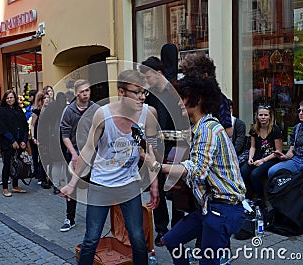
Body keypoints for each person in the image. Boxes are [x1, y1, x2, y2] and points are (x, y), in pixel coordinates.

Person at [141, 76, 246, 265]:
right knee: (172, 241)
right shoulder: (198, 127)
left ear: (197, 100)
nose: (178, 102)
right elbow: (177, 135)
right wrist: (146, 136)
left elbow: (197, 170)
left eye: (182, 98)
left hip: (223, 209)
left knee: (209, 262)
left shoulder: (208, 130)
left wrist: (156, 166)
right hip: (209, 206)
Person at [61, 70, 159, 265]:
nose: (142, 97)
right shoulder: (103, 114)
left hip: (129, 183)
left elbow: (150, 151)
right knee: (91, 239)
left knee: (138, 238)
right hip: (101, 183)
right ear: (121, 92)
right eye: (136, 92)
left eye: (144, 92)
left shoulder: (149, 114)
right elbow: (89, 150)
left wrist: (154, 184)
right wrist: (72, 184)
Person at [140, 55, 185, 246]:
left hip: (177, 148)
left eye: (148, 77)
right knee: (156, 185)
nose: (147, 83)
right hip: (158, 147)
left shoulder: (177, 92)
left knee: (177, 190)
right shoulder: (152, 95)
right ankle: (161, 230)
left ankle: (177, 228)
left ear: (158, 73)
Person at [269, 99, 303, 237]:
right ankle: (282, 208)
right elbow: (292, 149)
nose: (300, 113)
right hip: (296, 160)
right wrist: (284, 157)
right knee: (273, 171)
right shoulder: (297, 128)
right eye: (299, 111)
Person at [59, 79, 100, 232]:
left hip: (94, 155)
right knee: (72, 187)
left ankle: (94, 220)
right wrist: (74, 154)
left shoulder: (96, 109)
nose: (85, 94)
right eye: (82, 91)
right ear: (76, 93)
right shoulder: (69, 111)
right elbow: (65, 135)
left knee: (94, 188)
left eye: (87, 90)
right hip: (75, 153)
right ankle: (70, 218)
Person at [180, 53, 233, 137]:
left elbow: (228, 132)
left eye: (193, 77)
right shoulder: (188, 99)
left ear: (205, 76)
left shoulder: (220, 100)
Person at [240, 105, 282, 204]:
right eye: (261, 115)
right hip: (257, 156)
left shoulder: (275, 130)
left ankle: (260, 198)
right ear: (257, 116)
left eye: (265, 115)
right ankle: (248, 196)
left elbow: (278, 151)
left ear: (270, 116)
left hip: (271, 157)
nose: (263, 117)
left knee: (255, 174)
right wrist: (250, 158)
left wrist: (263, 161)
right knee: (244, 171)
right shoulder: (254, 129)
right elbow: (253, 147)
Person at [0, 90, 29, 197]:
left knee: (17, 163)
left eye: (11, 97)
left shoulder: (19, 110)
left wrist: (24, 140)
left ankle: (15, 185)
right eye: (7, 98)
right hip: (8, 142)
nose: (9, 100)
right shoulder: (2, 110)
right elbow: (2, 128)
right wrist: (12, 141)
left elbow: (25, 126)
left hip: (19, 141)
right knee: (7, 165)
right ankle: (5, 187)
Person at [41, 92, 68, 194]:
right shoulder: (67, 107)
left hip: (53, 139)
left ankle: (56, 185)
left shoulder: (51, 107)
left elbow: (43, 120)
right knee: (65, 164)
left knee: (56, 163)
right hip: (66, 138)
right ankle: (65, 184)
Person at [30, 91, 51, 186]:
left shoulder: (50, 110)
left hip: (49, 137)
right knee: (43, 158)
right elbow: (33, 125)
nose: (46, 99)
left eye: (47, 98)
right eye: (44, 98)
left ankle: (49, 178)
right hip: (40, 137)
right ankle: (42, 178)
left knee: (50, 159)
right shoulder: (37, 112)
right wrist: (33, 137)